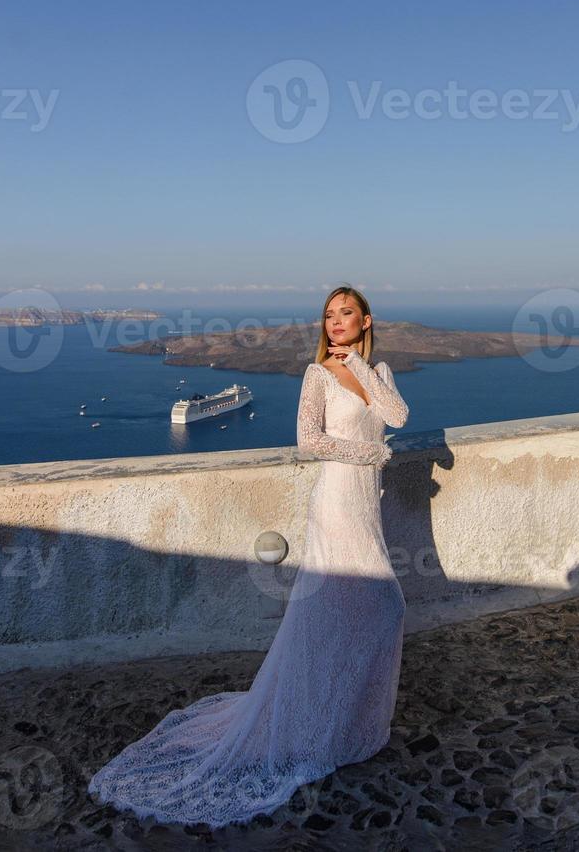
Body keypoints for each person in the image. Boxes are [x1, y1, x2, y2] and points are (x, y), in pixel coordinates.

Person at [87, 286, 410, 827]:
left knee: (374, 611)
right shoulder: (317, 377)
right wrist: (371, 452)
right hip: (335, 505)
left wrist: (360, 364)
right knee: (358, 609)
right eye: (328, 316)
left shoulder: (381, 373)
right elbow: (310, 441)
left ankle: (344, 725)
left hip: (364, 508)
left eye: (345, 314)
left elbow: (397, 415)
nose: (334, 323)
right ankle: (310, 724)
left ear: (365, 321)